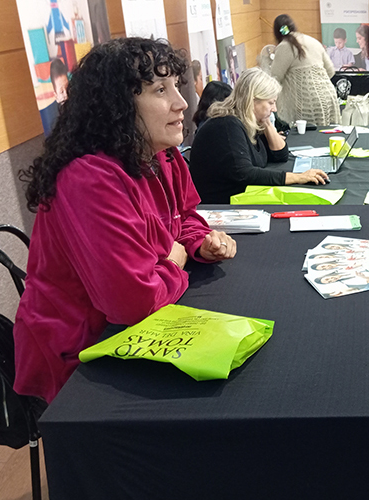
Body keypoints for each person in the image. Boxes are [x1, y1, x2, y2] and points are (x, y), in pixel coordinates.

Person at [13, 37, 238, 404]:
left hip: (132, 331)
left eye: (176, 87)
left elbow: (185, 219)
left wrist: (200, 242)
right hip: (79, 355)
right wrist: (174, 260)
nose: (181, 103)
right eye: (159, 90)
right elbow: (133, 301)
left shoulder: (162, 156)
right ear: (118, 105)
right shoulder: (88, 178)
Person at [189, 68, 328, 204]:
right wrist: (297, 177)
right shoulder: (226, 125)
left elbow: (279, 155)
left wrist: (266, 122)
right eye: (271, 103)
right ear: (253, 101)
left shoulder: (248, 120)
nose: (275, 109)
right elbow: (245, 174)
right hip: (220, 208)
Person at [269, 14, 340, 126]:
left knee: (307, 138)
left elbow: (274, 78)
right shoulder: (313, 41)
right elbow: (330, 71)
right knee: (328, 136)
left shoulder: (284, 47)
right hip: (329, 97)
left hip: (307, 103)